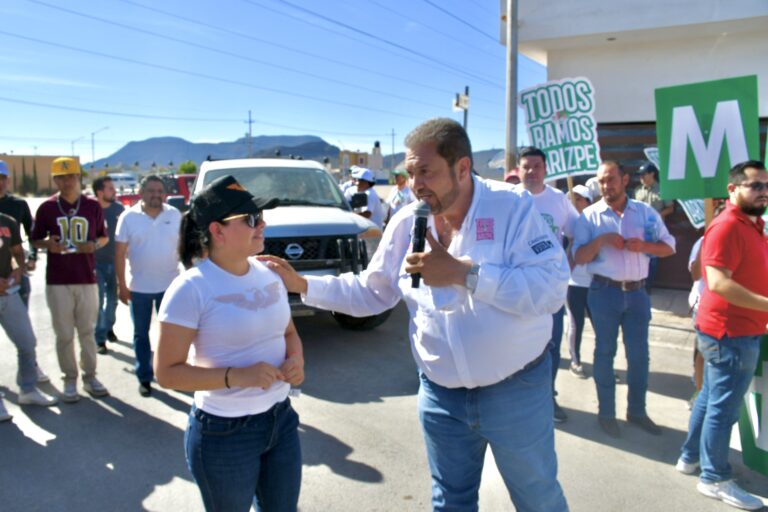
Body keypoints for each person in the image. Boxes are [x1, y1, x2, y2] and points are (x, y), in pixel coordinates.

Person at [261, 118, 570, 511]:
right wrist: (304, 285)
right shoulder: (408, 221)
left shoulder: (513, 207)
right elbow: (373, 292)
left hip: (515, 392)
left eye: (426, 171)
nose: (415, 184)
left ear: (462, 167)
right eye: (409, 173)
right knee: (450, 501)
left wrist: (465, 273)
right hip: (441, 397)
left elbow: (552, 288)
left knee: (537, 497)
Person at [155, 175, 304, 512]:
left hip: (281, 420)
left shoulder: (271, 274)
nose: (262, 224)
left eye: (261, 216)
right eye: (251, 219)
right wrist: (237, 376)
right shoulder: (189, 289)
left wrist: (297, 361)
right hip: (224, 434)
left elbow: (289, 333)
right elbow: (166, 373)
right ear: (217, 231)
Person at [676, 160, 768, 511]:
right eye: (754, 186)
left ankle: (690, 458)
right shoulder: (728, 225)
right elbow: (718, 282)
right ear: (733, 189)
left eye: (766, 185)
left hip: (732, 330)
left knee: (710, 396)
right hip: (731, 333)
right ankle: (714, 477)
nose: (763, 192)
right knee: (723, 408)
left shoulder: (752, 224)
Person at [573, 160, 675, 438]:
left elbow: (669, 247)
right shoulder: (590, 216)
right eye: (602, 181)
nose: (606, 186)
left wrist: (645, 246)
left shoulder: (645, 213)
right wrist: (602, 240)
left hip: (638, 294)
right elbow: (577, 258)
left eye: (611, 179)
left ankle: (637, 412)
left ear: (625, 179)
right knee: (604, 354)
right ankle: (607, 414)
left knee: (639, 356)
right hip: (603, 293)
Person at [30, 157, 110, 402]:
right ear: (55, 179)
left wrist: (93, 245)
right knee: (64, 334)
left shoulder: (92, 206)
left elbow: (103, 237)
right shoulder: (47, 207)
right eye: (61, 177)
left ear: (79, 177)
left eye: (71, 176)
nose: (67, 181)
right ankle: (69, 379)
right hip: (58, 279)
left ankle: (90, 376)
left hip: (87, 277)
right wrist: (47, 245)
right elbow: (35, 239)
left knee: (86, 332)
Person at [515, 146, 579, 424]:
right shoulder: (508, 198)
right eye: (526, 166)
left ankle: (546, 398)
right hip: (516, 288)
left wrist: (569, 261)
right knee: (515, 343)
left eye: (536, 166)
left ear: (545, 169)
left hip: (551, 291)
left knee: (550, 346)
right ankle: (513, 398)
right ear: (518, 170)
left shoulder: (559, 200)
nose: (531, 171)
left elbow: (577, 233)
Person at [115, 175, 181, 397]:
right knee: (141, 334)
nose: (156, 195)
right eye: (151, 190)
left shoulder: (174, 215)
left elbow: (185, 247)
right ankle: (144, 376)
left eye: (160, 191)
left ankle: (170, 373)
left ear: (165, 193)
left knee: (171, 333)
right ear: (141, 192)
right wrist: (121, 285)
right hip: (139, 288)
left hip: (170, 288)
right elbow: (119, 253)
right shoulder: (127, 217)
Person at [0, 212, 58, 422]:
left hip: (8, 294)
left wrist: (18, 269)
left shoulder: (7, 221)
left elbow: (16, 252)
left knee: (27, 342)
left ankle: (28, 390)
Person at [92, 176, 124, 354]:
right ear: (100, 192)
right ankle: (100, 339)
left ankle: (108, 327)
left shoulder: (119, 209)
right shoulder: (91, 210)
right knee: (99, 301)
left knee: (113, 300)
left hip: (115, 261)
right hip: (95, 263)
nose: (115, 191)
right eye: (110, 188)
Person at [0, 160, 37, 307]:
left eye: (3, 178)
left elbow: (32, 233)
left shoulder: (18, 204)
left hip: (14, 272)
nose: (0, 182)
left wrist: (32, 257)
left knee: (20, 325)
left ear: (8, 180)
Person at [634, 162, 674, 292]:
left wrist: (657, 216)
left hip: (654, 230)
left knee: (653, 258)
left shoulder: (662, 190)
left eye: (644, 175)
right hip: (638, 228)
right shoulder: (637, 191)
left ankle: (648, 286)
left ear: (652, 174)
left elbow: (670, 208)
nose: (641, 178)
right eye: (640, 175)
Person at [566, 185, 593, 379]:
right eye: (572, 199)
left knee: (602, 326)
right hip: (574, 283)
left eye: (579, 199)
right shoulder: (567, 224)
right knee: (576, 324)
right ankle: (575, 361)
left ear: (588, 202)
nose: (574, 203)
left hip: (596, 282)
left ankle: (603, 365)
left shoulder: (597, 221)